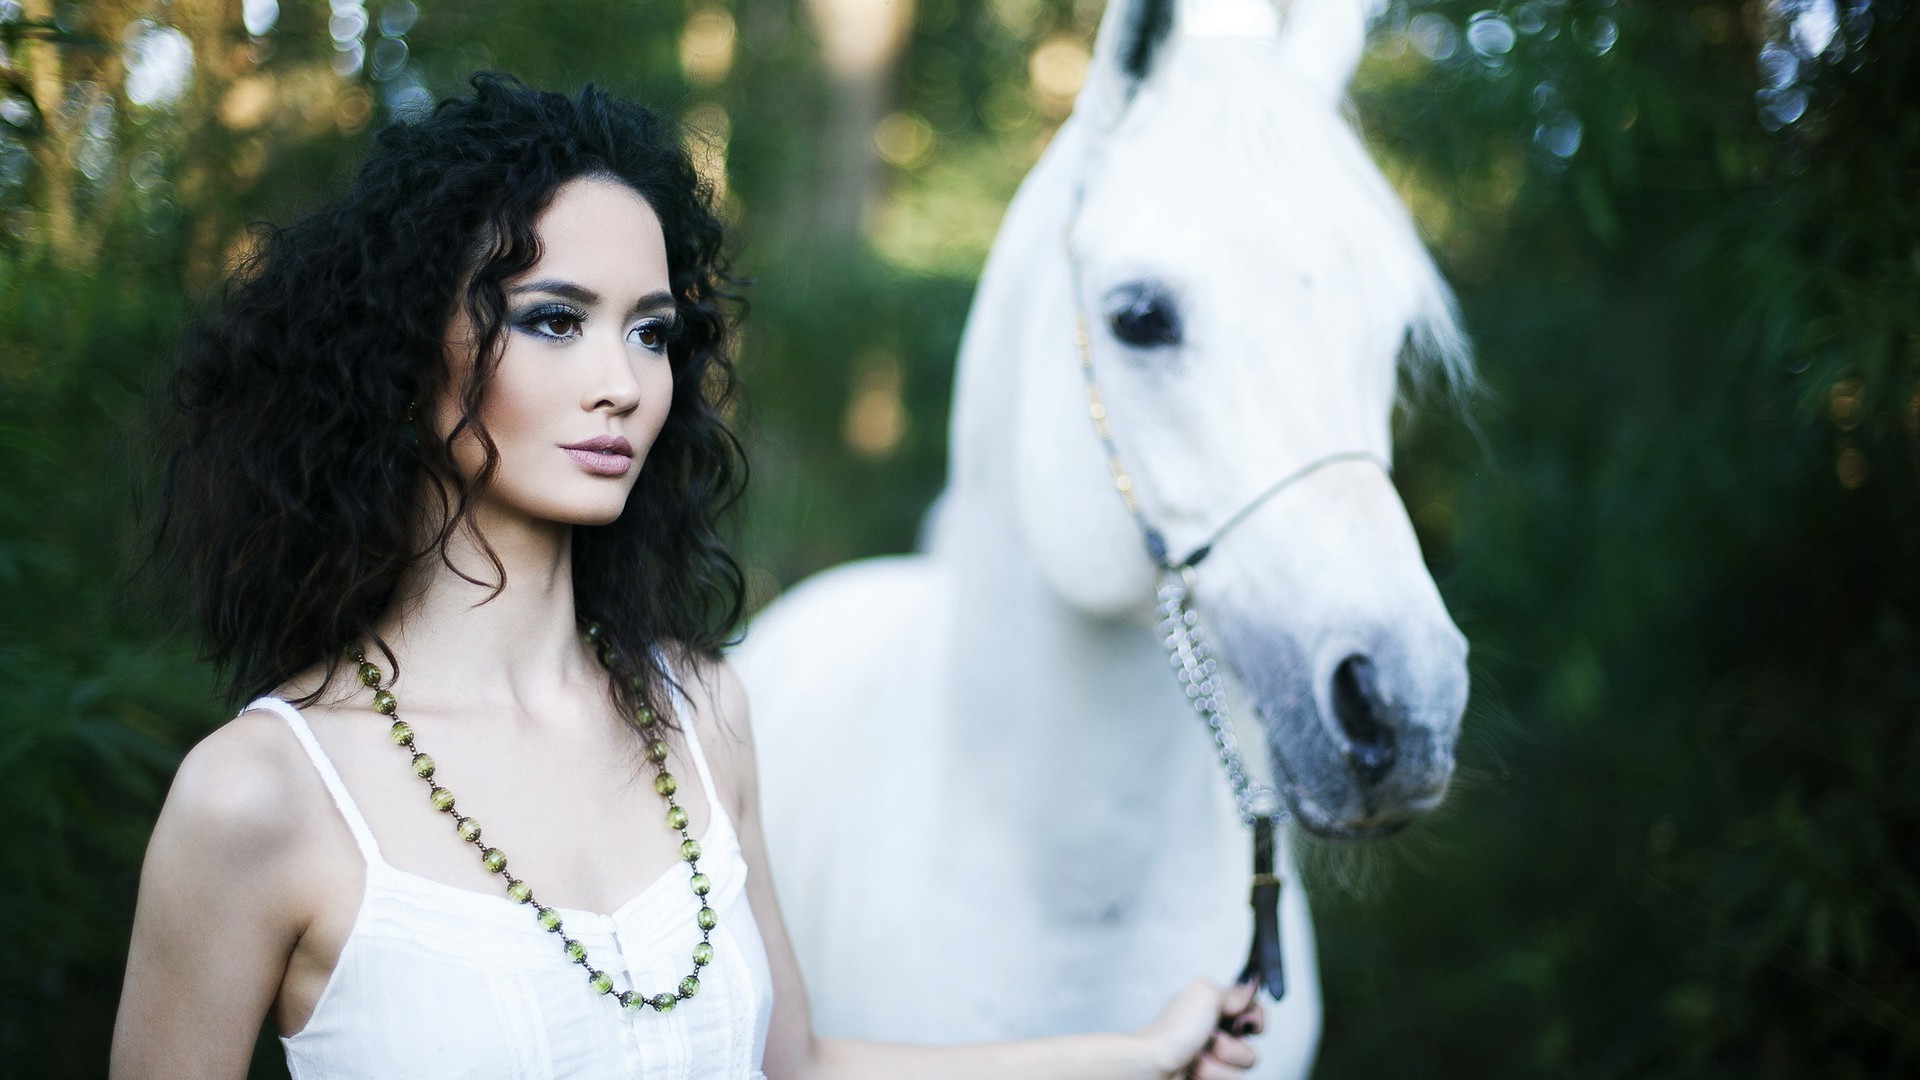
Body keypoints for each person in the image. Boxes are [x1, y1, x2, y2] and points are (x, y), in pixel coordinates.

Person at [111, 75, 1263, 1079]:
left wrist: (1133, 1054)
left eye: (654, 333)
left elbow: (794, 1068)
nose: (624, 381)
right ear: (407, 350)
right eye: (555, 320)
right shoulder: (260, 797)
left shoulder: (700, 713)